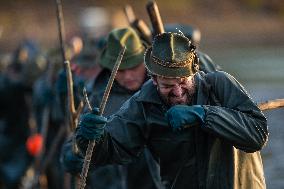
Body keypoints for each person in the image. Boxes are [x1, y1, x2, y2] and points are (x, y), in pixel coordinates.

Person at [74, 32, 268, 189]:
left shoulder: (220, 84)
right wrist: (91, 138)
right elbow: (111, 151)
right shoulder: (144, 103)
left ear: (193, 72)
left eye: (183, 82)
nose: (177, 92)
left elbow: (257, 135)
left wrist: (204, 114)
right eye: (167, 86)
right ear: (154, 79)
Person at [62, 27, 162, 189]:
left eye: (134, 67)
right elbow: (75, 140)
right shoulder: (98, 98)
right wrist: (73, 155)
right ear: (110, 68)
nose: (128, 76)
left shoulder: (165, 87)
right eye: (121, 71)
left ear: (146, 60)